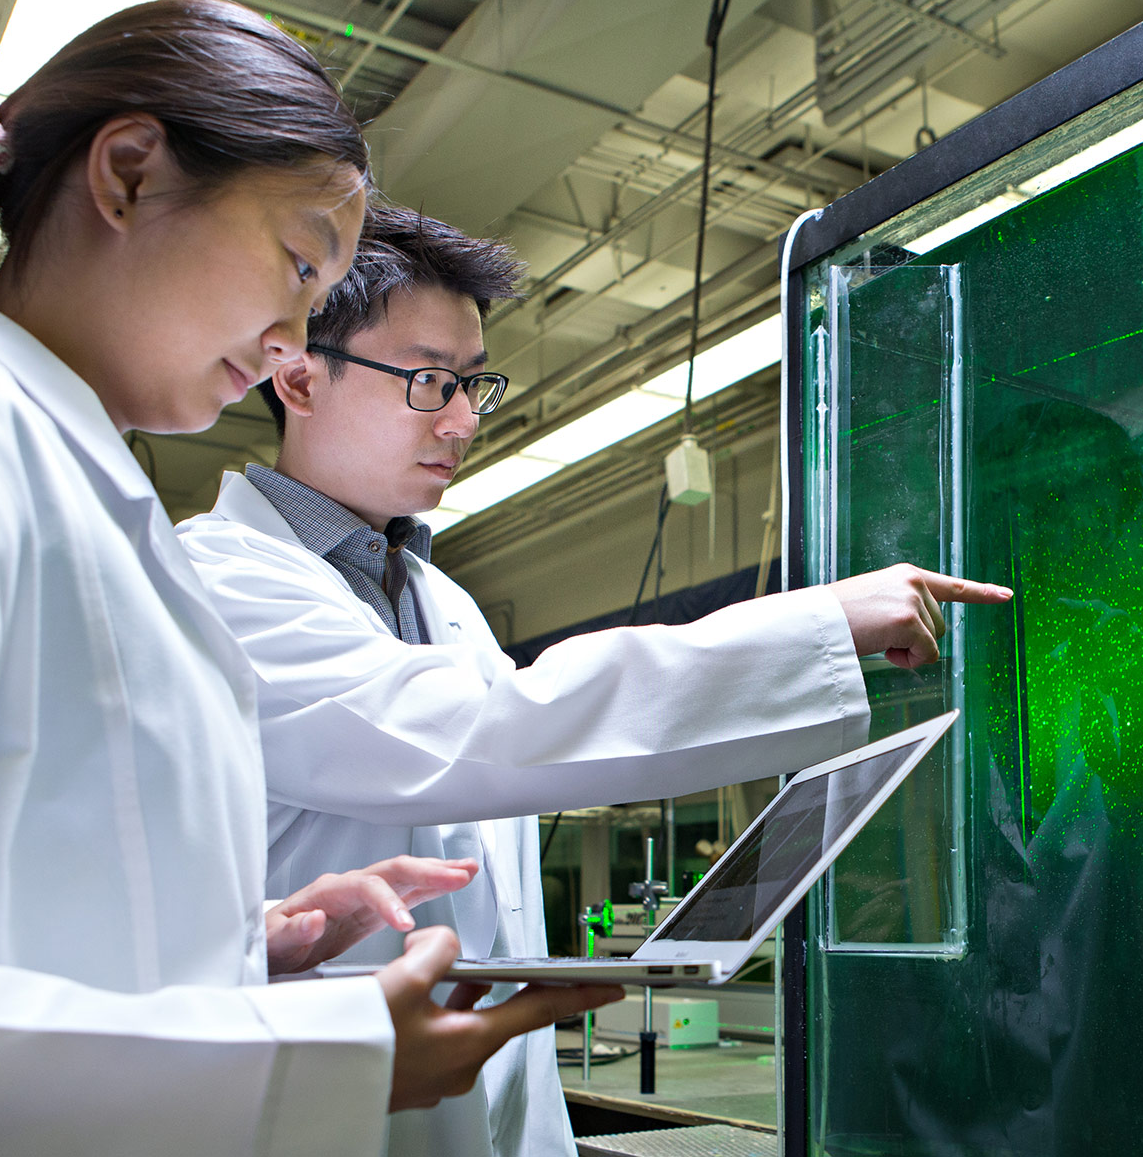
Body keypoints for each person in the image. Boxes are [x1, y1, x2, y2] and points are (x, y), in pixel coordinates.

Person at [0, 0, 617, 1156]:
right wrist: (296, 1062)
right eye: (296, 263)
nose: (290, 337)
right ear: (127, 175)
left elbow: (3, 918)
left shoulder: (90, 506)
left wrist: (241, 946)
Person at [174, 203, 1012, 1156]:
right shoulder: (218, 579)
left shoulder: (441, 599)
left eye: (473, 384)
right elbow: (476, 733)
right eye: (428, 381)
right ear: (296, 374)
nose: (462, 419)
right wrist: (814, 627)